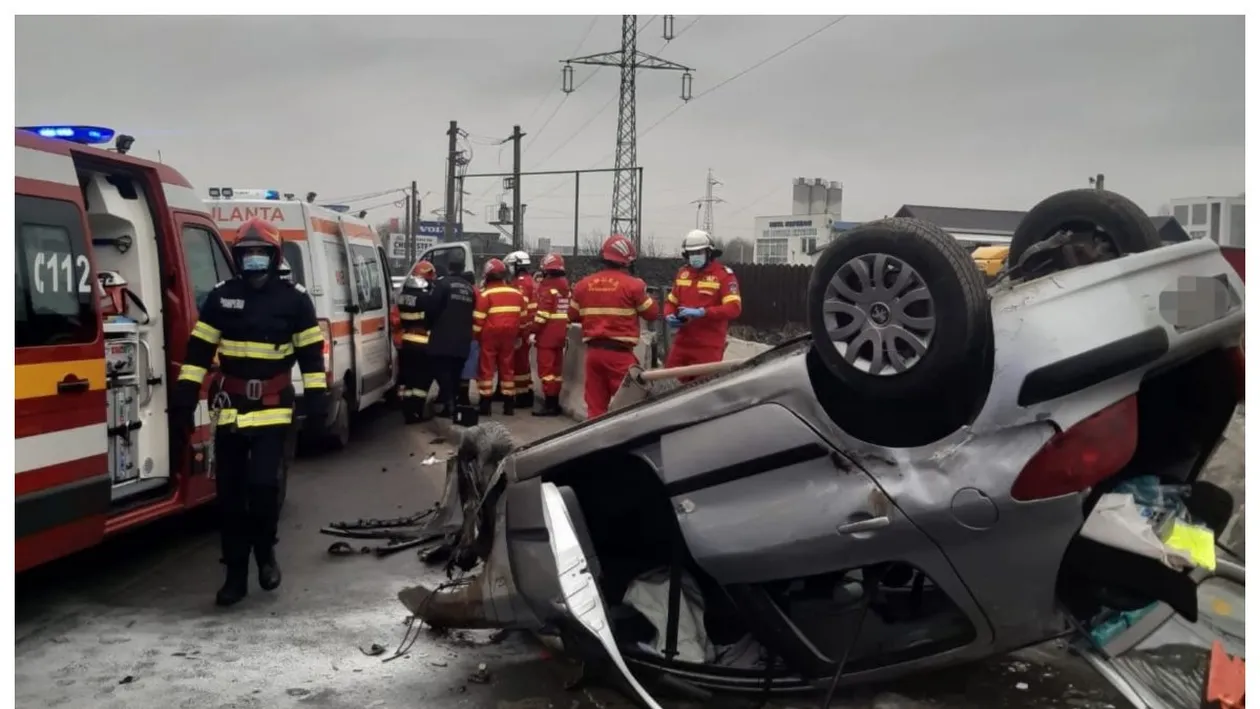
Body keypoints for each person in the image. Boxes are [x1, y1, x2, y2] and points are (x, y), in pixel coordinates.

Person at [172, 218, 327, 607]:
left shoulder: (294, 299)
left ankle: (265, 553)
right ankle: (235, 575)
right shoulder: (222, 297)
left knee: (262, 490)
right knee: (229, 497)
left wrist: (318, 397)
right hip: (230, 411)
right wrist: (185, 395)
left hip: (273, 410)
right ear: (238, 257)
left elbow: (310, 355)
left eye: (260, 253)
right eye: (247, 254)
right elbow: (198, 352)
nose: (253, 259)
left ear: (273, 257)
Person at [568, 234, 659, 419]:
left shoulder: (583, 285)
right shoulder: (634, 286)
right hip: (620, 356)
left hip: (593, 354)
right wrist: (645, 293)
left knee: (595, 409)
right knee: (626, 408)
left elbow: (572, 315)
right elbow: (652, 313)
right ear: (627, 261)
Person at [664, 229, 743, 374]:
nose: (695, 257)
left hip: (709, 346)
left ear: (709, 252)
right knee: (667, 383)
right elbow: (671, 302)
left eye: (699, 252)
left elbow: (734, 308)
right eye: (692, 253)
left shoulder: (723, 275)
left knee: (702, 390)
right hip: (682, 344)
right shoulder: (683, 274)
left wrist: (704, 312)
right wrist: (669, 315)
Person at [473, 258, 528, 416]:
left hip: (489, 336)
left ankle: (485, 406)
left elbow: (478, 320)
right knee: (507, 368)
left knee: (486, 369)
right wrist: (520, 335)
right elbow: (523, 320)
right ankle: (509, 405)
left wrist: (476, 337)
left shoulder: (485, 295)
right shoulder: (517, 294)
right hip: (510, 335)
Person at [424, 258, 477, 418]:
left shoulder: (442, 284)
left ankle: (449, 403)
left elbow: (432, 308)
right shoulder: (469, 288)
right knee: (456, 372)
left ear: (449, 268)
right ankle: (452, 403)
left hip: (443, 336)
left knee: (439, 369)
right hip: (463, 338)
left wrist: (428, 326)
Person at [396, 260, 437, 423]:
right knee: (422, 379)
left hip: (406, 341)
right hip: (422, 341)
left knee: (408, 378)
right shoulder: (426, 296)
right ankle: (417, 412)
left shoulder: (404, 295)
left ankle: (407, 411)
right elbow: (432, 317)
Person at [530, 253, 571, 417]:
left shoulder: (548, 289)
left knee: (546, 372)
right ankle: (555, 403)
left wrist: (531, 330)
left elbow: (542, 316)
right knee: (556, 372)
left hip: (546, 336)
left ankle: (550, 404)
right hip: (561, 334)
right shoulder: (565, 288)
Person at [503, 250, 538, 409]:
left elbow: (519, 307)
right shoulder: (528, 281)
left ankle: (523, 395)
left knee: (519, 363)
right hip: (528, 327)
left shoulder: (521, 283)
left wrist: (518, 331)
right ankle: (525, 391)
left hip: (523, 328)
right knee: (522, 363)